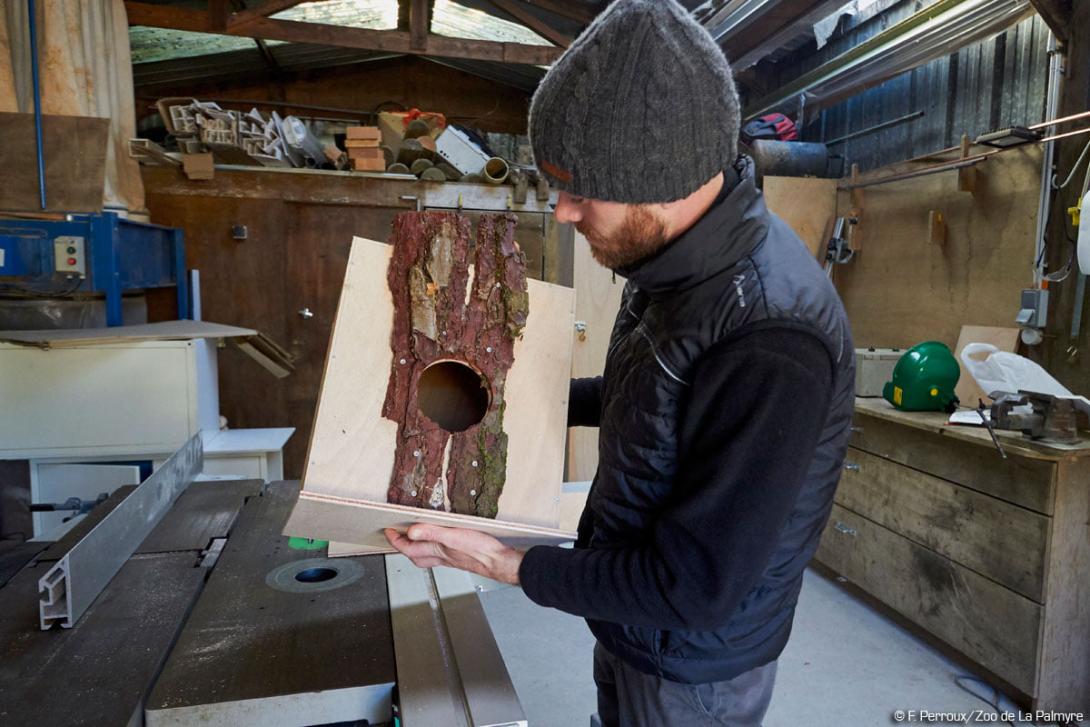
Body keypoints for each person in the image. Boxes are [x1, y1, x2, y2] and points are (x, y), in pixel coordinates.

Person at [386, 0, 856, 724]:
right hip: (635, 623)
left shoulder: (771, 335)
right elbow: (655, 396)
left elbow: (696, 586)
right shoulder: (674, 265)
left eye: (581, 190)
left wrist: (500, 561)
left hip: (693, 666)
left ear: (660, 179)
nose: (565, 213)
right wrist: (510, 394)